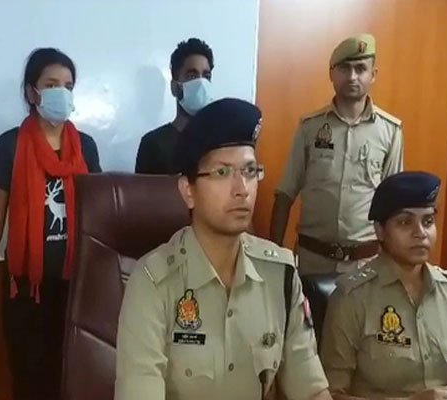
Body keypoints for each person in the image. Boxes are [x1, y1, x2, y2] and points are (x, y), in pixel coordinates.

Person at [115, 98, 331, 400]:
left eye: (250, 171)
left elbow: (311, 389)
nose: (242, 189)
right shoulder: (153, 282)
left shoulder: (280, 274)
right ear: (188, 191)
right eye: (222, 173)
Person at [0, 47, 101, 400]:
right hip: (24, 292)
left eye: (68, 85)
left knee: (72, 382)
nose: (61, 92)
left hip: (76, 290)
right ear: (32, 92)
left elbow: (97, 221)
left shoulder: (85, 147)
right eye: (51, 84)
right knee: (30, 383)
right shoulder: (10, 145)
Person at [270, 33, 404, 275]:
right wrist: (274, 255)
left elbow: (394, 205)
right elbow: (285, 194)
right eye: (344, 68)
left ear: (373, 74)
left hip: (366, 265)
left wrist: (395, 264)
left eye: (360, 68)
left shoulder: (390, 131)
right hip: (312, 261)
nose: (352, 76)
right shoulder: (310, 127)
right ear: (331, 74)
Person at [320, 171, 447, 400]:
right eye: (405, 222)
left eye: (428, 222)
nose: (420, 233)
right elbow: (330, 395)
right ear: (380, 231)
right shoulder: (352, 298)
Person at [134, 37, 214, 174]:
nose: (201, 83)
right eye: (192, 76)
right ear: (175, 87)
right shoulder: (153, 144)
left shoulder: (219, 142)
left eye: (206, 76)